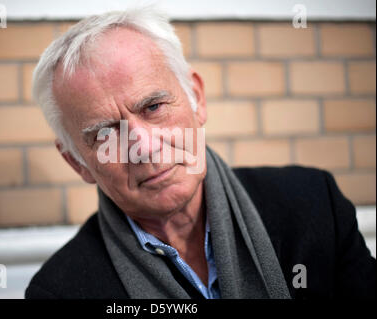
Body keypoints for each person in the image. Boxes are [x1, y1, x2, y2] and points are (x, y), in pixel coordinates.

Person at [25, 7, 375, 299]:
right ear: (77, 162)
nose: (144, 148)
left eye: (154, 107)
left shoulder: (313, 205)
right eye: (105, 133)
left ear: (197, 98)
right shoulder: (60, 291)